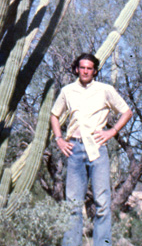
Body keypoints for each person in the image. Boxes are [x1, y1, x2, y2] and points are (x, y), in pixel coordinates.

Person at [49, 52, 132, 246]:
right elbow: (54, 115)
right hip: (74, 149)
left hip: (97, 150)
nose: (86, 71)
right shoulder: (68, 91)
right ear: (77, 69)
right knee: (73, 205)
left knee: (102, 204)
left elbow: (126, 112)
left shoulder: (105, 89)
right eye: (82, 67)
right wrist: (59, 139)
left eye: (89, 68)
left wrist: (112, 131)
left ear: (94, 71)